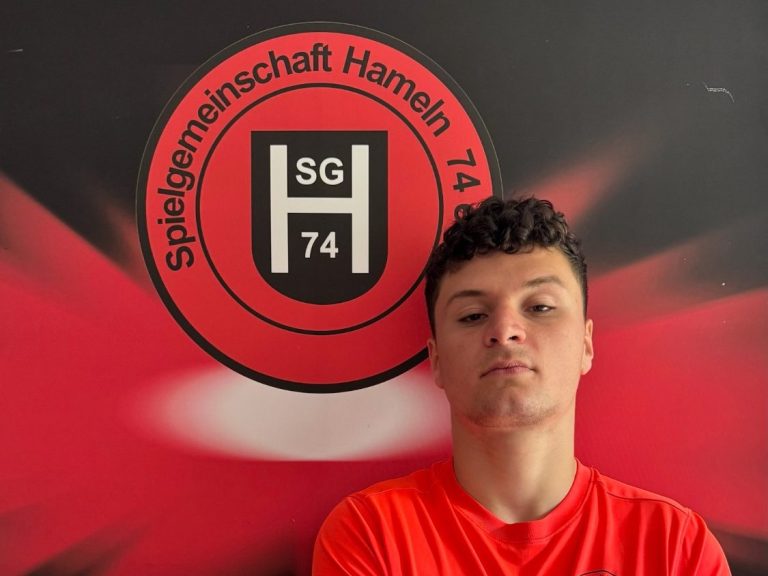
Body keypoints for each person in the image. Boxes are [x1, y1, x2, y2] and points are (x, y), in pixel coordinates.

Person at [313, 196, 730, 575]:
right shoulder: (372, 532)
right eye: (473, 315)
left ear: (586, 344)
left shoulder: (674, 547)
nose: (505, 329)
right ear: (436, 359)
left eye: (540, 307)